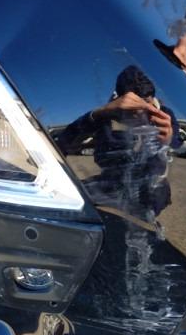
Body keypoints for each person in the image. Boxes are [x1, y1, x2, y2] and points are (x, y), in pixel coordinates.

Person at [56, 66, 179, 220]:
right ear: (120, 100)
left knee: (146, 216)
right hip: (109, 183)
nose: (139, 113)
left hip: (149, 186)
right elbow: (63, 144)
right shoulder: (107, 114)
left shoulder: (165, 114)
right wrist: (97, 114)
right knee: (64, 202)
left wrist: (168, 139)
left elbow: (176, 144)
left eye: (147, 105)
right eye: (132, 107)